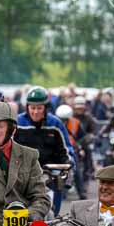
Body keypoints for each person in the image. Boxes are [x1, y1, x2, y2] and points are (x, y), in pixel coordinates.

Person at [15, 86, 73, 214]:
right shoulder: (17, 123)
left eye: (39, 108)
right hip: (22, 174)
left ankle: (52, 221)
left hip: (49, 173)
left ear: (46, 108)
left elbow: (67, 148)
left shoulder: (55, 124)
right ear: (27, 108)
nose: (35, 112)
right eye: (32, 108)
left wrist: (69, 161)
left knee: (55, 205)